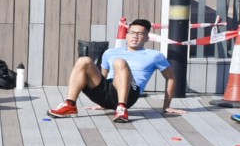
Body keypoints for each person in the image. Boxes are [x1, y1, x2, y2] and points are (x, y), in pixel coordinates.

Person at [48, 18, 183, 123]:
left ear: (147, 38)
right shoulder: (110, 52)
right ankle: (70, 104)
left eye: (140, 34)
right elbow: (102, 78)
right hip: (108, 92)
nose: (135, 36)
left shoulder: (154, 55)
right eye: (132, 33)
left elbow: (171, 78)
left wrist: (166, 106)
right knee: (84, 60)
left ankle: (122, 108)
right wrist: (101, 103)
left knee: (119, 62)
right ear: (127, 35)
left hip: (130, 94)